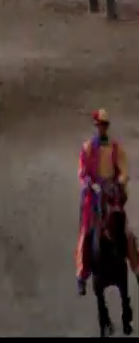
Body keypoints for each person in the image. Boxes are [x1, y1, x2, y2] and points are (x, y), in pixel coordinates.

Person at [75, 108, 129, 296]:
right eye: (100, 125)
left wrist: (119, 183)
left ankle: (136, 267)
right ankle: (81, 275)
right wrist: (90, 184)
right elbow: (82, 173)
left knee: (125, 230)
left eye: (105, 125)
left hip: (112, 194)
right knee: (86, 233)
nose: (102, 128)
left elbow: (123, 169)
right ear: (96, 126)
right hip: (94, 196)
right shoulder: (88, 147)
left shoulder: (115, 147)